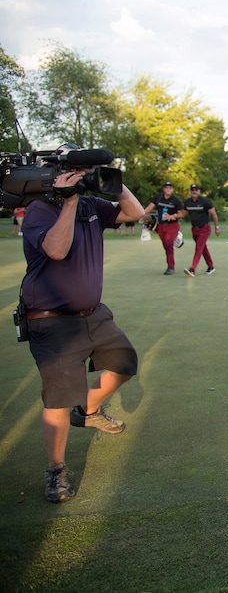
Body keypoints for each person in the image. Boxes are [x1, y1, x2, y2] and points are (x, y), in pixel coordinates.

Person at [18, 161, 144, 503]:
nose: (85, 177)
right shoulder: (38, 210)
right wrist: (69, 199)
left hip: (93, 314)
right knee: (58, 397)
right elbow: (56, 250)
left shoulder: (92, 205)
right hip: (51, 318)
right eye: (80, 171)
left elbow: (132, 213)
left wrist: (114, 182)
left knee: (125, 363)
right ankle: (55, 472)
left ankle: (87, 411)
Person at [142, 181, 185, 274]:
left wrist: (173, 216)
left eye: (170, 187)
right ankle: (176, 238)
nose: (168, 189)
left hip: (172, 225)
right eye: (166, 187)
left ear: (172, 189)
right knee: (166, 245)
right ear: (163, 189)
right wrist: (141, 214)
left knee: (169, 244)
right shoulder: (158, 197)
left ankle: (171, 267)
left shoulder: (176, 200)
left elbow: (181, 214)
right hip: (161, 225)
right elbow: (150, 207)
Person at [182, 183, 219, 277]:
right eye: (192, 190)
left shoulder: (205, 201)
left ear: (199, 191)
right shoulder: (188, 202)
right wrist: (172, 216)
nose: (194, 191)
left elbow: (213, 214)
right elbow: (182, 213)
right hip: (194, 229)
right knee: (203, 249)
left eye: (196, 190)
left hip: (204, 228)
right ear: (191, 191)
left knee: (198, 248)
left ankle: (192, 269)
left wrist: (216, 227)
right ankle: (211, 266)